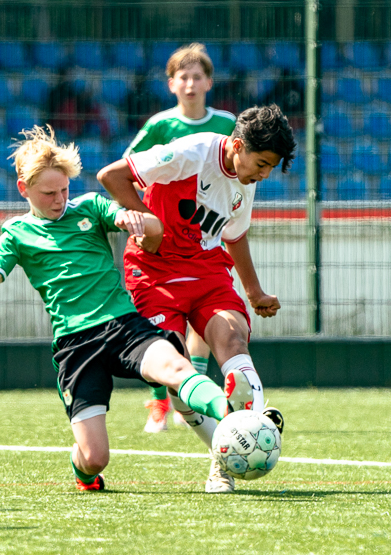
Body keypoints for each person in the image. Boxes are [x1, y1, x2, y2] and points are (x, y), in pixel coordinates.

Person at [0, 126, 247, 491]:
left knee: (176, 366)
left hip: (123, 326)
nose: (60, 199)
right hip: (77, 346)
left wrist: (135, 219)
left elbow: (155, 226)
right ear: (23, 190)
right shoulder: (16, 234)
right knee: (95, 458)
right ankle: (83, 473)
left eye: (64, 189)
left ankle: (232, 417)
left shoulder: (91, 206)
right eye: (49, 193)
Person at [99, 104, 296, 493]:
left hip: (207, 269)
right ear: (236, 145)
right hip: (154, 272)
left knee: (233, 339)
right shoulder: (193, 152)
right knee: (178, 376)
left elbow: (234, 236)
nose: (264, 174)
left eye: (271, 167)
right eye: (262, 163)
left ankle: (226, 458)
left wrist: (254, 292)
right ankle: (232, 437)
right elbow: (113, 176)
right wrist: (146, 225)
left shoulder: (246, 180)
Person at [123, 43, 238, 434]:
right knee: (163, 328)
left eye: (197, 76)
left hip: (206, 235)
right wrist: (147, 221)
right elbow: (127, 168)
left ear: (209, 81)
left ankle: (193, 397)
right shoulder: (160, 126)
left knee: (204, 313)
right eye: (182, 77)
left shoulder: (227, 124)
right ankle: (162, 402)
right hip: (165, 241)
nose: (190, 84)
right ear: (171, 84)